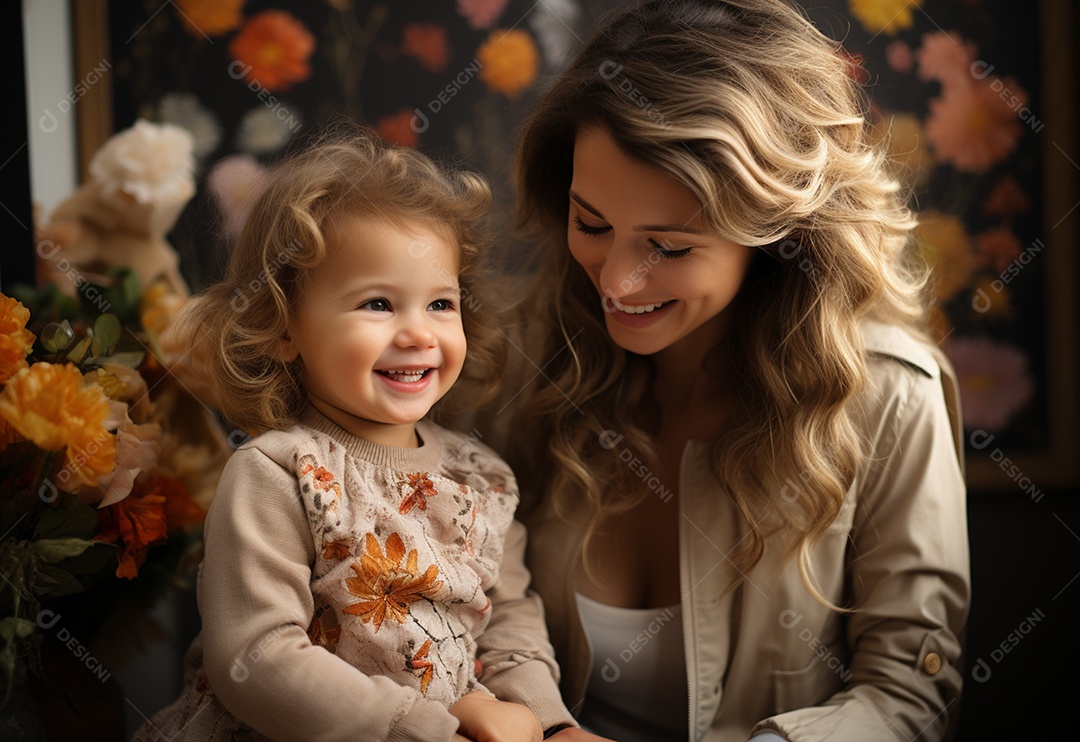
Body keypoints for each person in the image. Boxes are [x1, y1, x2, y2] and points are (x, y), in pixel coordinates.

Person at [470, 1, 971, 740]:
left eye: (669, 247)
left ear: (775, 235)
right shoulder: (508, 367)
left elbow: (907, 693)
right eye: (592, 224)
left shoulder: (893, 395)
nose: (615, 283)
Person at [131, 133, 581, 742]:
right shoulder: (280, 472)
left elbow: (512, 624)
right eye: (377, 303)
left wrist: (548, 724)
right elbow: (257, 657)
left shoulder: (484, 476)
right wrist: (423, 728)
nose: (419, 333)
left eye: (441, 304)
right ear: (284, 328)